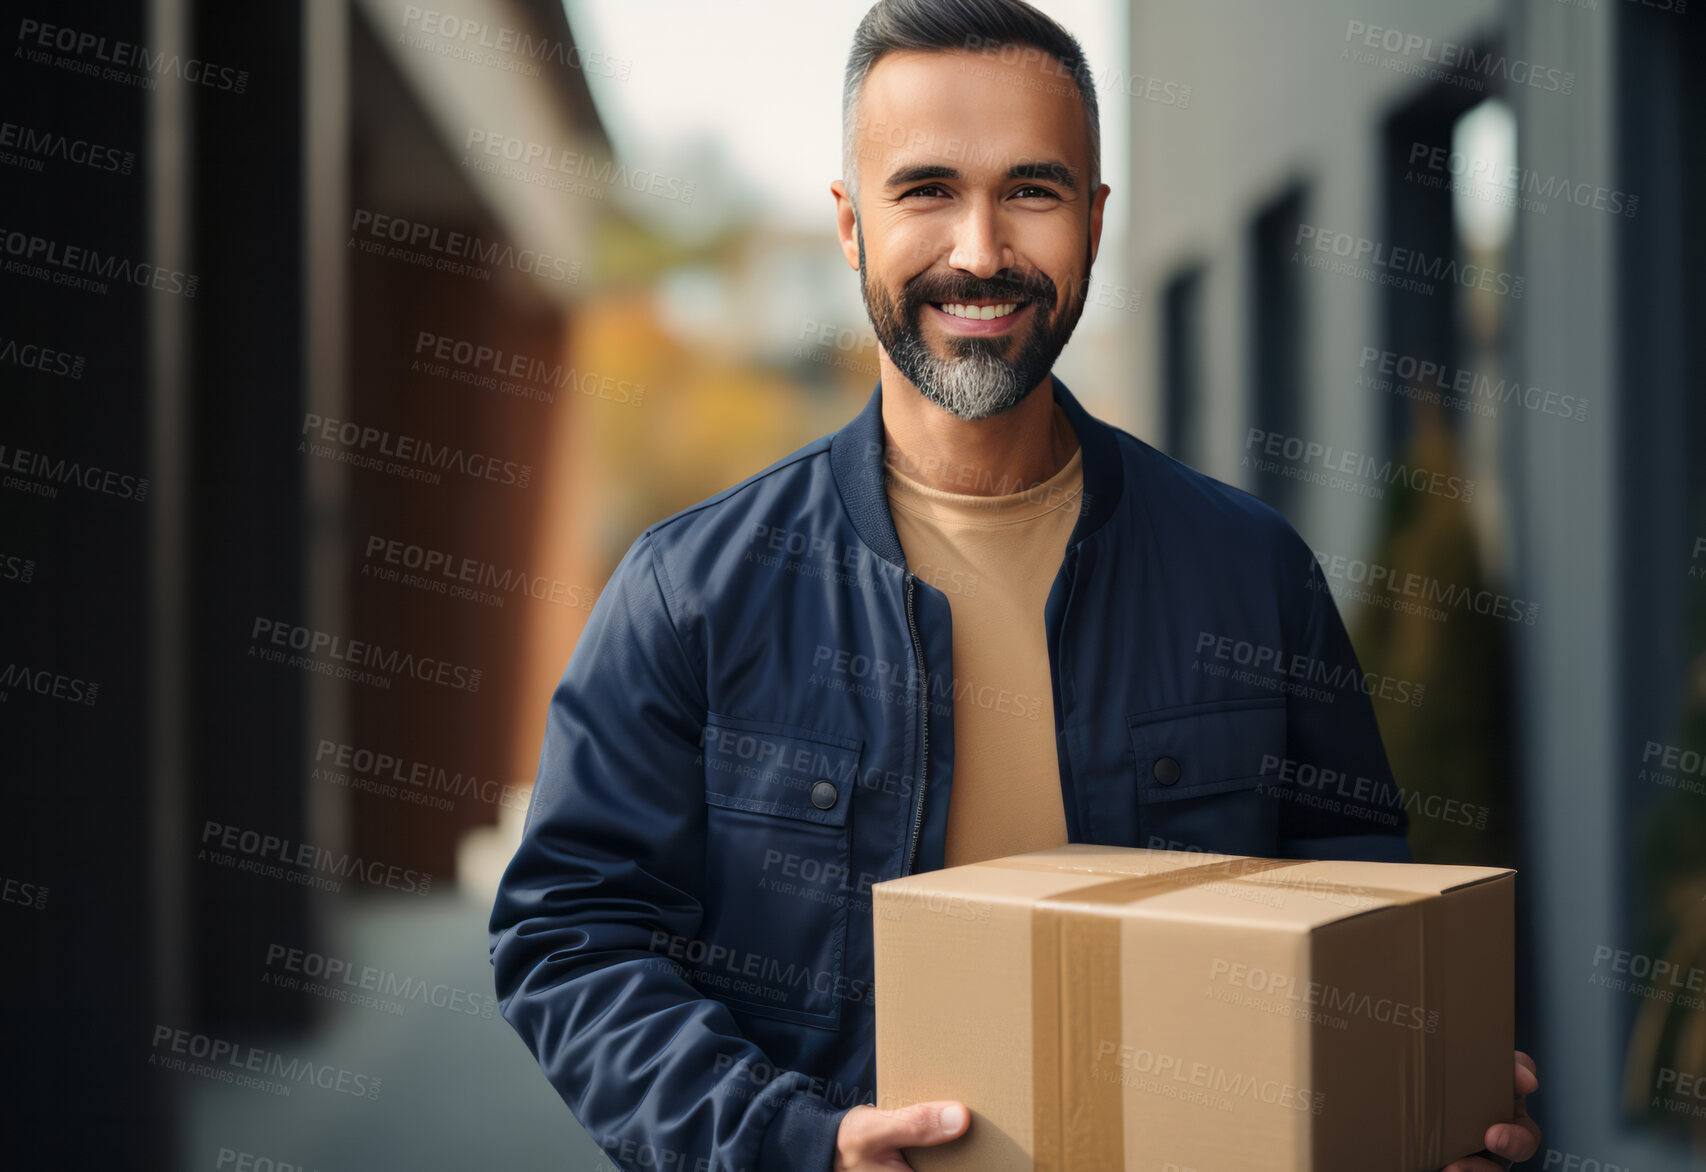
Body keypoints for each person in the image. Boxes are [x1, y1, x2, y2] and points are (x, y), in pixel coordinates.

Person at [489, 1, 1542, 1169]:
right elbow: (572, 937)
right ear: (849, 224)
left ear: (1093, 222)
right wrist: (791, 1141)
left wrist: (1411, 1090)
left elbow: (1352, 891)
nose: (980, 251)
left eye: (1031, 191)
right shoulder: (689, 591)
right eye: (925, 189)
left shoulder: (1251, 574)